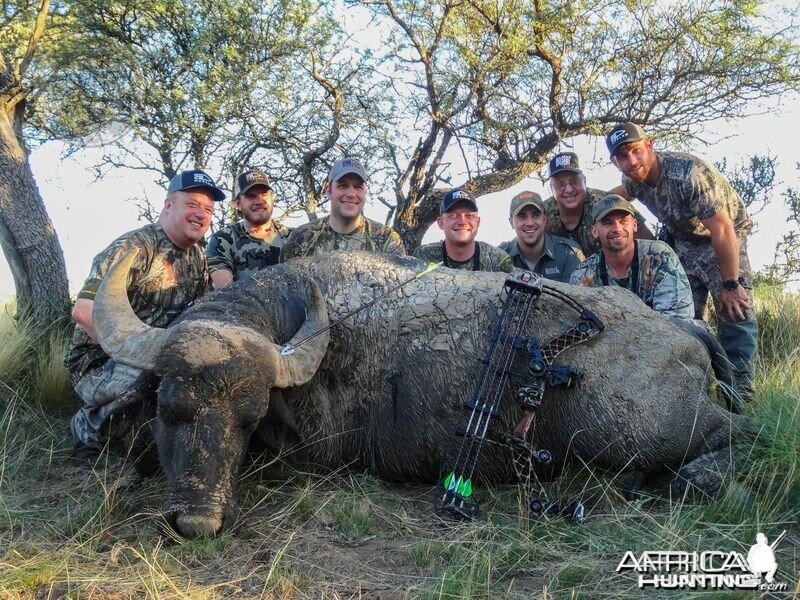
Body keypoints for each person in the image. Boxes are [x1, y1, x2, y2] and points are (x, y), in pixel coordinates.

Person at [65, 169, 224, 461]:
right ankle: (89, 424)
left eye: (208, 209)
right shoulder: (133, 249)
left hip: (161, 354)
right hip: (100, 361)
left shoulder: (198, 257)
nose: (200, 214)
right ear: (168, 205)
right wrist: (138, 356)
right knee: (150, 379)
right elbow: (84, 312)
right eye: (192, 204)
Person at [606, 122, 758, 400]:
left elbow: (723, 229)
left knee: (735, 308)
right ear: (615, 162)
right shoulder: (632, 180)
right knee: (683, 319)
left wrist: (731, 283)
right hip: (683, 244)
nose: (632, 161)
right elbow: (617, 196)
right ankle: (692, 392)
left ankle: (740, 396)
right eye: (622, 157)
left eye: (636, 151)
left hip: (722, 238)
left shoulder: (688, 173)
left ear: (649, 145)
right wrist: (597, 202)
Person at [570, 195, 694, 319]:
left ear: (634, 225)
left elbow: (678, 317)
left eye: (623, 221)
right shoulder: (583, 275)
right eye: (608, 223)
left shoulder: (660, 257)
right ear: (595, 231)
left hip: (664, 335)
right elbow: (579, 322)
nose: (617, 229)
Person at [281, 158, 406, 259]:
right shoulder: (301, 238)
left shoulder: (386, 239)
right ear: (328, 190)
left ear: (365, 192)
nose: (351, 194)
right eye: (343, 186)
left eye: (358, 187)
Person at [544, 151, 653, 255]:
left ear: (584, 182)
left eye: (574, 182)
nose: (569, 189)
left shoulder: (607, 203)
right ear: (551, 188)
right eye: (560, 184)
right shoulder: (541, 214)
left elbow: (648, 241)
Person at [206, 169, 291, 288]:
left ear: (272, 198)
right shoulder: (223, 240)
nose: (260, 201)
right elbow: (224, 292)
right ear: (238, 204)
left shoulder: (294, 237)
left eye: (264, 194)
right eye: (251, 196)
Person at [413, 189, 513, 272]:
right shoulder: (424, 255)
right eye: (453, 216)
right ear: (440, 222)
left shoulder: (498, 259)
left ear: (477, 222)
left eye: (469, 216)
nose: (462, 222)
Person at [498, 190, 584, 282]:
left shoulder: (569, 253)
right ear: (511, 222)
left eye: (536, 215)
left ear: (544, 218)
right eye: (522, 216)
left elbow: (579, 294)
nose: (530, 223)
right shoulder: (499, 257)